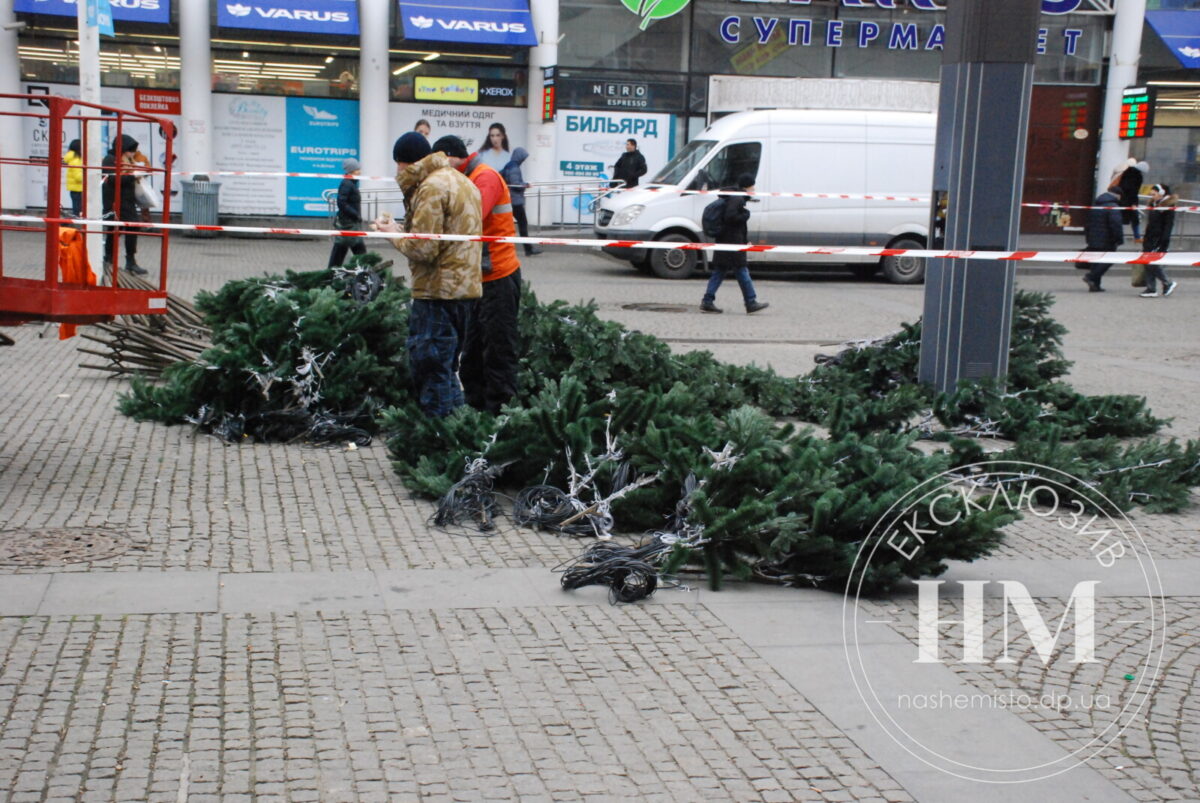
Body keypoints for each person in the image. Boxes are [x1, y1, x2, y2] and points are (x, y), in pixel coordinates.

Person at [373, 132, 482, 417]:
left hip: (437, 293)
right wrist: (400, 230)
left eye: (398, 164)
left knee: (431, 369)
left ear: (403, 163)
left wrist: (391, 237)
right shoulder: (462, 181)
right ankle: (460, 437)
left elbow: (423, 248)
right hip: (465, 290)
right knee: (447, 370)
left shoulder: (431, 187)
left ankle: (440, 444)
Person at [432, 135, 523, 414]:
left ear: (451, 157)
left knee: (497, 352)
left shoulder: (485, 177)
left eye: (439, 163)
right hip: (478, 279)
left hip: (498, 276)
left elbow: (469, 220)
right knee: (471, 355)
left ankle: (499, 417)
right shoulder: (465, 178)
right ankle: (476, 412)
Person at [700, 173, 768, 314]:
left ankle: (707, 301)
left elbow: (734, 223)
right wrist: (746, 214)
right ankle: (751, 301)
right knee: (742, 271)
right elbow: (731, 217)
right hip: (732, 242)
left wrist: (744, 239)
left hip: (727, 241)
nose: (754, 190)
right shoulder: (737, 198)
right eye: (752, 187)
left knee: (719, 271)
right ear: (747, 186)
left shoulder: (734, 196)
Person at [102, 134, 145, 276]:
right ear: (123, 148)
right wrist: (133, 175)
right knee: (114, 230)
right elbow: (113, 179)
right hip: (115, 202)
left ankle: (129, 261)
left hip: (127, 201)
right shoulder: (110, 160)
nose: (132, 153)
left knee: (131, 229)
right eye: (130, 149)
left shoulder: (128, 159)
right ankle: (109, 260)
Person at [1077, 188, 1123, 292]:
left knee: (1096, 261)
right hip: (1108, 239)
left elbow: (1088, 223)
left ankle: (1095, 285)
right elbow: (1116, 225)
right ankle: (1091, 277)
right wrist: (1118, 239)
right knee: (1109, 259)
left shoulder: (1096, 205)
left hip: (1093, 238)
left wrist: (1088, 237)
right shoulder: (1113, 207)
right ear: (1118, 195)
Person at [500, 146, 542, 256]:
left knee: (509, 225)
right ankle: (528, 249)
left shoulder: (509, 165)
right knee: (523, 224)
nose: (524, 160)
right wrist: (525, 185)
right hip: (516, 201)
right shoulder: (514, 168)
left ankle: (526, 249)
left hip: (511, 200)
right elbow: (515, 184)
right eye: (523, 157)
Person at [1140, 183, 1179, 298]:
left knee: (1152, 263)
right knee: (1146, 262)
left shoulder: (1168, 207)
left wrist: (1164, 240)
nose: (1152, 196)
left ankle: (1168, 282)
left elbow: (1168, 225)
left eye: (1154, 193)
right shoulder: (1154, 204)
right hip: (1150, 237)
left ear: (1161, 193)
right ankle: (1151, 288)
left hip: (1158, 238)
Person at [328, 157, 367, 268]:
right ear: (351, 170)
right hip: (349, 224)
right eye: (357, 170)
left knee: (342, 250)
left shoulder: (350, 183)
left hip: (350, 223)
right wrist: (355, 214)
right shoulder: (347, 184)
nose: (360, 172)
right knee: (356, 250)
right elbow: (342, 202)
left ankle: (331, 273)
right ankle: (367, 273)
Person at [1109, 159, 1147, 241]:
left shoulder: (1126, 172)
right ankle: (1136, 236)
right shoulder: (1136, 176)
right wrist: (1134, 202)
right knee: (1134, 218)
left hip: (1122, 199)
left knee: (1119, 217)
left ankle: (1116, 235)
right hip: (1129, 201)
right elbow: (1133, 190)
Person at [63, 138, 83, 216]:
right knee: (77, 211)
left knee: (77, 209)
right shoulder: (76, 160)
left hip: (75, 189)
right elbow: (78, 177)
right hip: (78, 189)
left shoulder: (73, 159)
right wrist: (88, 175)